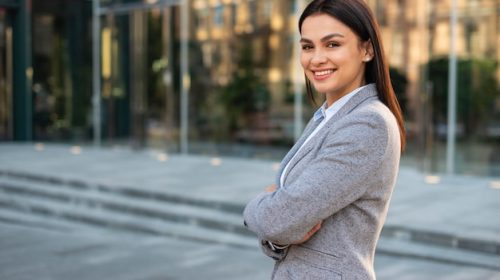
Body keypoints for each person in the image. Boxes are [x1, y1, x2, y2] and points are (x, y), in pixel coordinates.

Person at [243, 0, 406, 279]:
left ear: (367, 49)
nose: (316, 58)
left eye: (332, 44)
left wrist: (255, 207)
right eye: (307, 46)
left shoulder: (367, 123)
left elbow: (279, 219)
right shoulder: (329, 116)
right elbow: (283, 226)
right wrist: (280, 235)